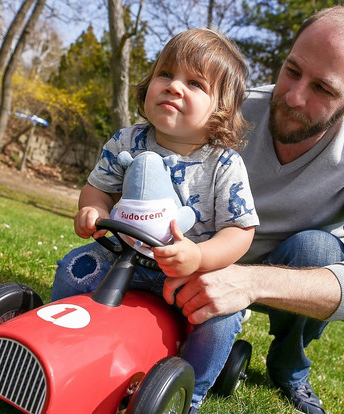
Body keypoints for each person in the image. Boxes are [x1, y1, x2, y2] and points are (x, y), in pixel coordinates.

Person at [159, 6, 344, 414]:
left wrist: (248, 282)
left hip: (282, 277)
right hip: (198, 257)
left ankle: (289, 366)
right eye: (292, 71)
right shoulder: (225, 109)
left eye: (323, 90)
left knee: (321, 250)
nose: (293, 97)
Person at [51, 28, 259, 413]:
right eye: (166, 74)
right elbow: (96, 188)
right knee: (75, 269)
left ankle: (190, 392)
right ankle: (61, 341)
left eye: (194, 83)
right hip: (123, 255)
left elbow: (240, 231)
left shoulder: (224, 165)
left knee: (219, 319)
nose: (173, 87)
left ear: (220, 110)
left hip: (189, 274)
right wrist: (94, 210)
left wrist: (199, 257)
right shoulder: (127, 141)